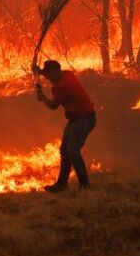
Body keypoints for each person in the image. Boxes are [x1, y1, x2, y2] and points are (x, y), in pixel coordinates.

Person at [33, 60, 96, 192]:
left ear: (55, 71)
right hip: (79, 118)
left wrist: (42, 97)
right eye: (46, 75)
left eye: (49, 75)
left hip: (83, 120)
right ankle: (62, 184)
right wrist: (39, 72)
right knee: (65, 151)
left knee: (73, 152)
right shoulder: (67, 74)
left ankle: (85, 186)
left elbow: (53, 106)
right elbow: (52, 76)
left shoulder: (63, 86)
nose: (48, 78)